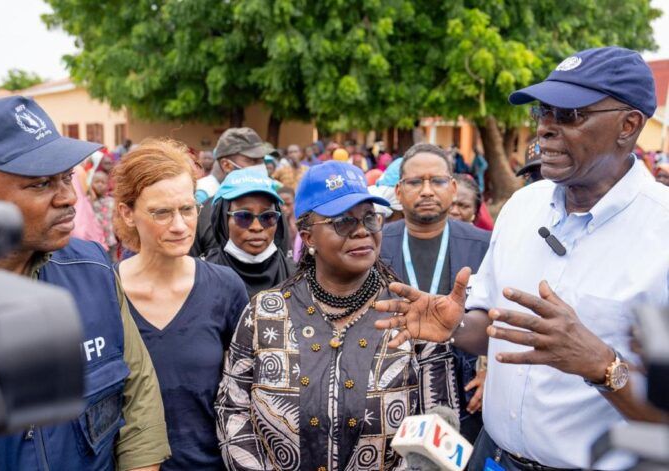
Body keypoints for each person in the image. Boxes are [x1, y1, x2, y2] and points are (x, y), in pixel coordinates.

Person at [374, 47, 669, 470]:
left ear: (628, 125)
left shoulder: (662, 235)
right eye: (543, 113)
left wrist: (603, 366)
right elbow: (493, 328)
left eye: (568, 115)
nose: (545, 129)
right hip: (494, 458)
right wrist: (455, 324)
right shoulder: (522, 207)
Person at [216, 161, 458, 470]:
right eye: (343, 222)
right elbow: (232, 409)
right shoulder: (264, 312)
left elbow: (441, 424)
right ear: (309, 236)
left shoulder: (411, 314)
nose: (361, 231)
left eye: (370, 219)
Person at [0, 96, 170, 470]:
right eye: (41, 183)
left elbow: (138, 398)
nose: (68, 197)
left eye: (66, 177)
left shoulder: (93, 269)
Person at [111, 139, 248, 470]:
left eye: (187, 209)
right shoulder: (105, 292)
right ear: (127, 213)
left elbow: (246, 393)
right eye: (161, 212)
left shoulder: (225, 288)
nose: (179, 225)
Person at [379, 143, 490, 442]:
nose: (426, 191)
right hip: (388, 394)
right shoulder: (374, 245)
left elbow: (505, 316)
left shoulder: (486, 245)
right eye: (416, 182)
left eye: (437, 181)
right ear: (399, 192)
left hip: (464, 397)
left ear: (453, 188)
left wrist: (491, 371)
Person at [189, 127, 285, 258]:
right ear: (227, 165)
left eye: (261, 160)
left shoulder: (273, 206)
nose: (260, 166)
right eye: (252, 160)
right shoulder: (203, 211)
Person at [206, 168, 294, 298]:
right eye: (243, 217)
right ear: (222, 221)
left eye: (268, 216)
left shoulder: (297, 276)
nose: (257, 227)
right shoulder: (202, 279)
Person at [91, 170, 118, 259]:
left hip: (110, 239)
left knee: (112, 261)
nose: (100, 185)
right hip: (95, 241)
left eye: (103, 182)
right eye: (96, 182)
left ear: (107, 185)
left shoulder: (112, 201)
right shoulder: (88, 201)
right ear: (91, 184)